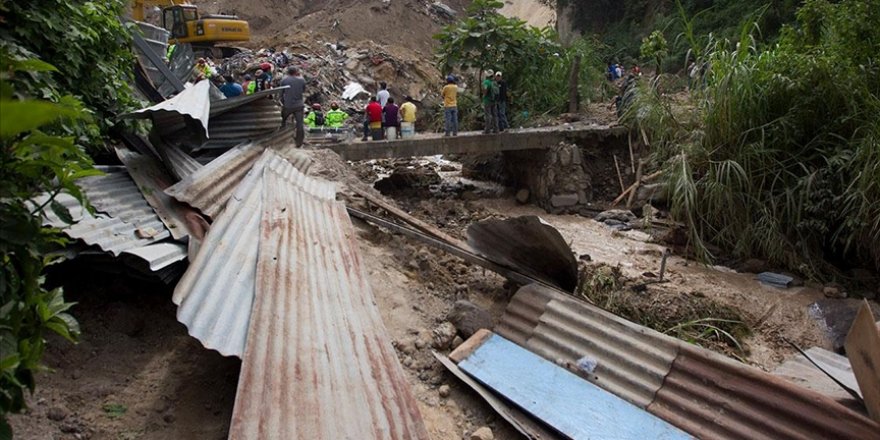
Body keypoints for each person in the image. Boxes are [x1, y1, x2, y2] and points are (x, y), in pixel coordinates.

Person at [280, 66, 307, 147]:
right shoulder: (302, 80)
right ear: (296, 72)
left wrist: (283, 102)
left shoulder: (284, 80)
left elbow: (281, 93)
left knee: (282, 121)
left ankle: (282, 139)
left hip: (288, 105)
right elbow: (303, 90)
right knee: (300, 124)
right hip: (299, 105)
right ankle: (299, 143)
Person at [482, 69, 499, 134]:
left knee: (488, 115)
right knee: (495, 115)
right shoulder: (494, 82)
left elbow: (485, 91)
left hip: (487, 101)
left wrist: (484, 93)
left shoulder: (486, 82)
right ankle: (496, 129)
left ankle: (487, 129)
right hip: (494, 101)